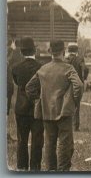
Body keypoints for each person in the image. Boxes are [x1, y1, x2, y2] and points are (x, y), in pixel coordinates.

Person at [24, 40, 83, 171]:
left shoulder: (43, 69)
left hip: (46, 112)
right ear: (64, 52)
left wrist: (39, 99)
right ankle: (62, 170)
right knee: (65, 143)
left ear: (50, 52)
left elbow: (29, 88)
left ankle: (50, 170)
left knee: (49, 143)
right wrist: (74, 100)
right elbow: (78, 85)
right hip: (64, 112)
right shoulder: (68, 68)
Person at [12, 37, 43, 171]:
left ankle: (21, 167)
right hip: (37, 108)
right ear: (35, 50)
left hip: (21, 109)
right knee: (37, 140)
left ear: (21, 52)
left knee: (22, 140)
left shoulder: (16, 68)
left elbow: (18, 84)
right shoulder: (41, 67)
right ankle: (35, 167)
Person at [63, 43, 87, 131]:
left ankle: (66, 124)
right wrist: (83, 79)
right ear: (77, 51)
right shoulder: (80, 59)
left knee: (66, 104)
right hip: (77, 84)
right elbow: (85, 70)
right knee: (77, 105)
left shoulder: (65, 60)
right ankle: (75, 126)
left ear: (69, 51)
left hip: (66, 85)